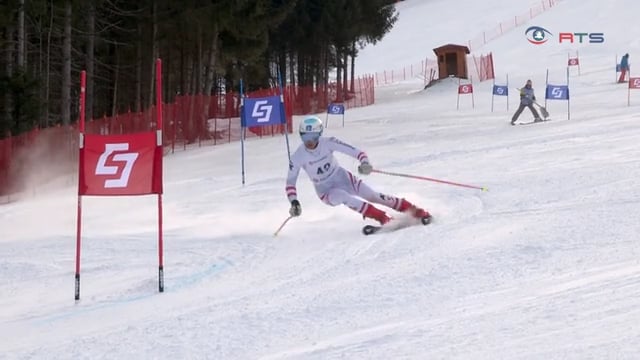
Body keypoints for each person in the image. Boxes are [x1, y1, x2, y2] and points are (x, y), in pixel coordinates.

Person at [285, 116, 431, 225]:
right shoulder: (298, 156)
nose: (309, 141)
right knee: (344, 197)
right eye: (305, 137)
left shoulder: (328, 143)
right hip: (325, 190)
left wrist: (365, 162)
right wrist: (294, 202)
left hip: (343, 178)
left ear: (319, 134)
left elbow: (357, 152)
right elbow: (290, 182)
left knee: (373, 195)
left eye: (313, 136)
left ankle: (414, 210)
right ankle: (382, 217)